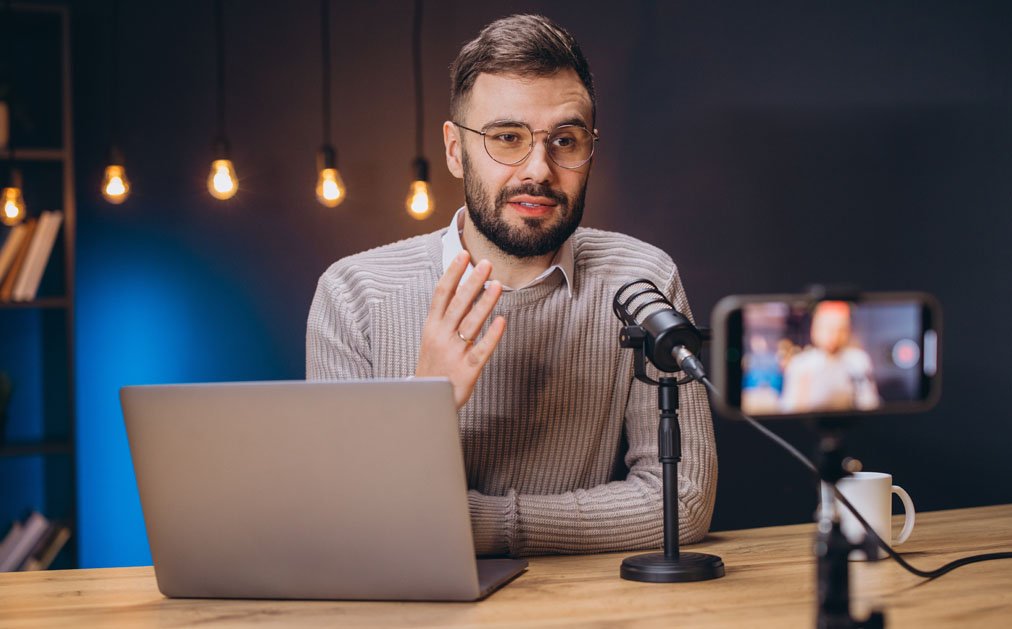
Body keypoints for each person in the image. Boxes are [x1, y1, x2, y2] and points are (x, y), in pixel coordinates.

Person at [306, 14, 716, 557]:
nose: (539, 170)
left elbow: (682, 501)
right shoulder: (353, 295)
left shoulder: (640, 280)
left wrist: (470, 525)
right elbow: (343, 519)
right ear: (455, 150)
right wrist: (423, 402)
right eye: (506, 138)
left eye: (565, 141)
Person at [779, 301, 880, 413]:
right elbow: (789, 409)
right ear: (815, 329)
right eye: (828, 329)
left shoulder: (858, 360)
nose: (834, 336)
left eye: (840, 330)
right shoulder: (801, 363)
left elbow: (870, 403)